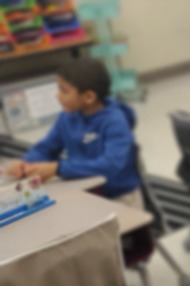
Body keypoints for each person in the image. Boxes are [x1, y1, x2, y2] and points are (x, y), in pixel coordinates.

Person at [4, 58, 142, 208]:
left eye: (64, 90)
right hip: (84, 190)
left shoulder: (115, 121)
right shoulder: (67, 117)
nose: (57, 95)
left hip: (119, 197)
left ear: (89, 97)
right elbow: (47, 147)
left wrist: (58, 169)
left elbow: (111, 166)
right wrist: (27, 163)